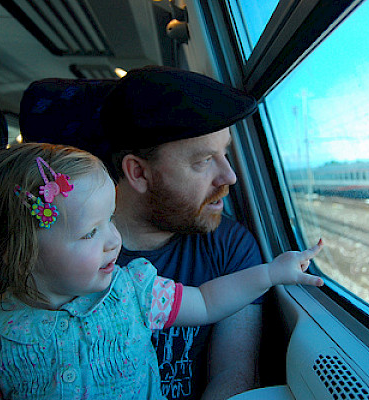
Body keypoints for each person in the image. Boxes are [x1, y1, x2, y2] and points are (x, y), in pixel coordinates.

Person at [0, 143, 324, 400]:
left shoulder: (136, 291)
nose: (113, 240)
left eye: (110, 219)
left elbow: (208, 302)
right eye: (89, 232)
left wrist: (271, 274)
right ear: (20, 252)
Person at [96, 65, 265, 400]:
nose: (229, 176)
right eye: (203, 161)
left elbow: (233, 375)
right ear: (139, 173)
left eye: (226, 153)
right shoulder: (64, 252)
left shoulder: (231, 247)